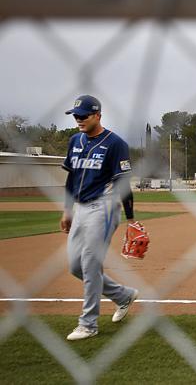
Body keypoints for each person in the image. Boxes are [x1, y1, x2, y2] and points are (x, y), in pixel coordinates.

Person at [60, 95, 139, 341]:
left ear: (97, 115)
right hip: (81, 208)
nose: (78, 119)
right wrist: (67, 209)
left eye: (83, 115)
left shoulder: (115, 144)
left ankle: (88, 324)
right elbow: (71, 178)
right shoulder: (75, 141)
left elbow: (123, 183)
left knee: (90, 263)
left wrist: (131, 219)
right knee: (76, 266)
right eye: (76, 115)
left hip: (104, 207)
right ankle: (123, 295)